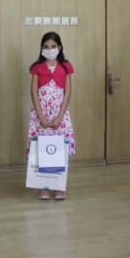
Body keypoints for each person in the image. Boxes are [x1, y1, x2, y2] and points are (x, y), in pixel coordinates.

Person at [26, 32, 76, 200]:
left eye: (53, 46)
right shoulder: (37, 67)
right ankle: (43, 186)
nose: (50, 50)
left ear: (59, 47)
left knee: (60, 149)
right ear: (41, 48)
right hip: (41, 114)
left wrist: (60, 116)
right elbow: (33, 92)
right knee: (42, 149)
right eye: (46, 47)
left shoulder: (66, 66)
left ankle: (59, 186)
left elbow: (67, 92)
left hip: (60, 114)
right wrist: (40, 116)